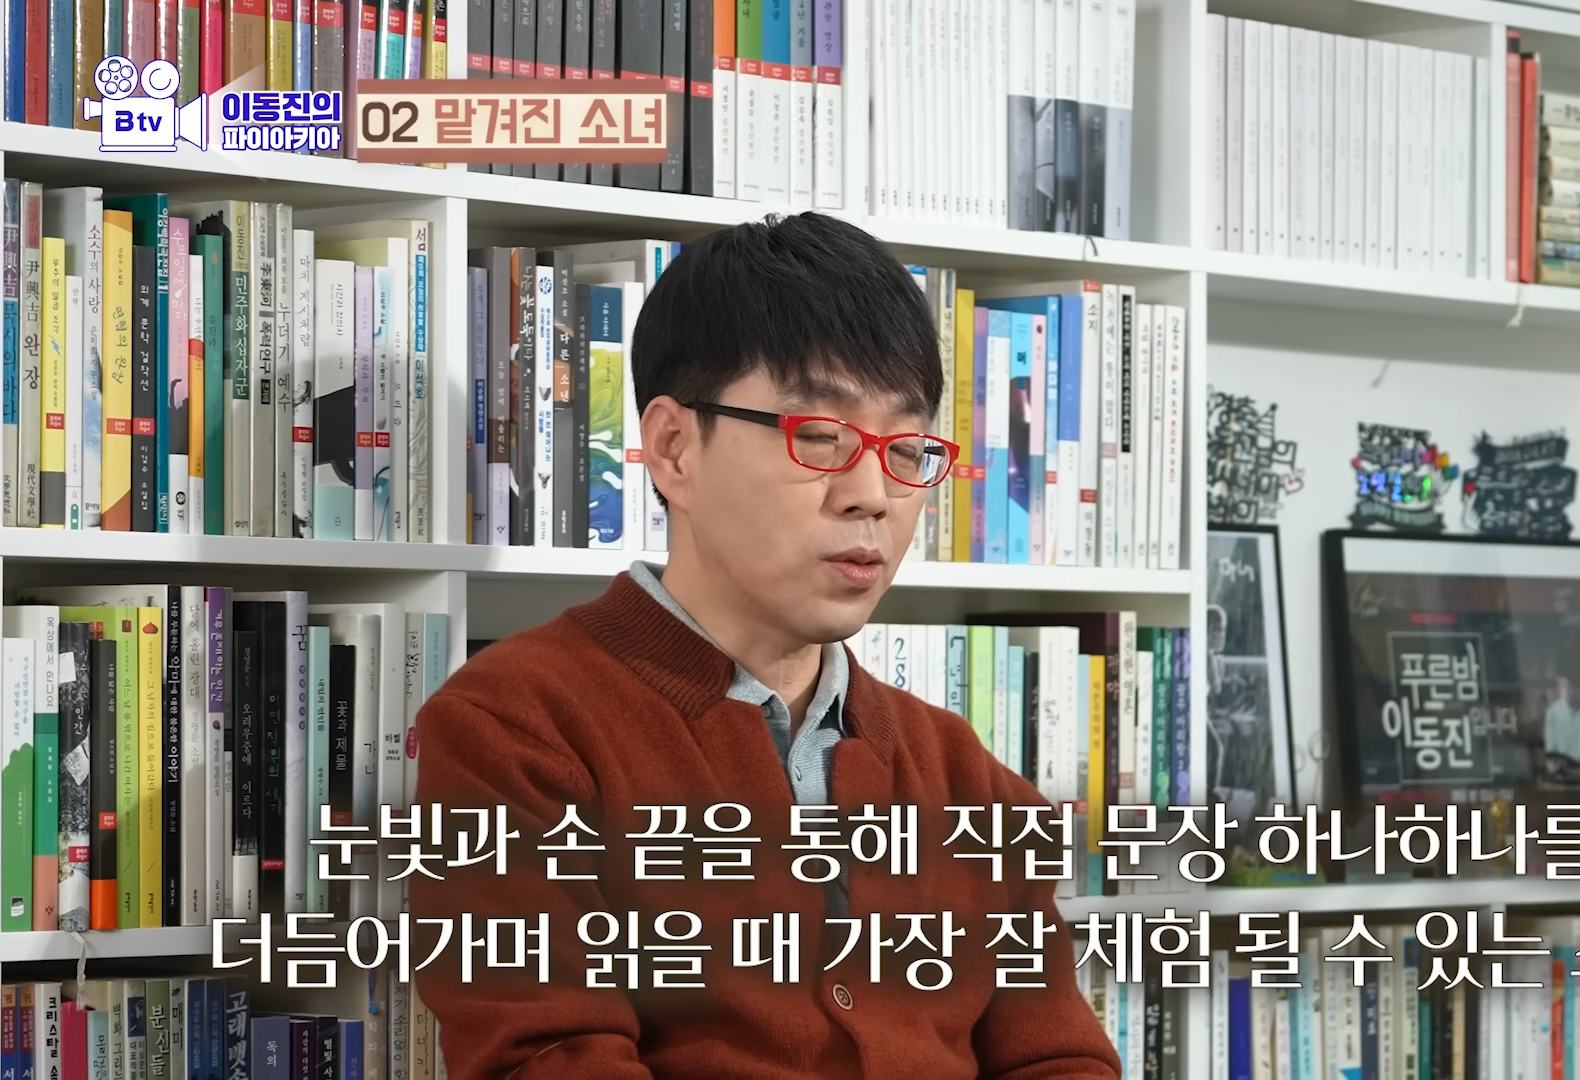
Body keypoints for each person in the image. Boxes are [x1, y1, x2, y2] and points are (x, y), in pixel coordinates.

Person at [410, 214, 1120, 1079]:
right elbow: (549, 1060)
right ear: (674, 449)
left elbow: (1060, 1060)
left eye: (905, 449)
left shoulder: (961, 771)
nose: (871, 494)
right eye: (819, 438)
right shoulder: (510, 728)